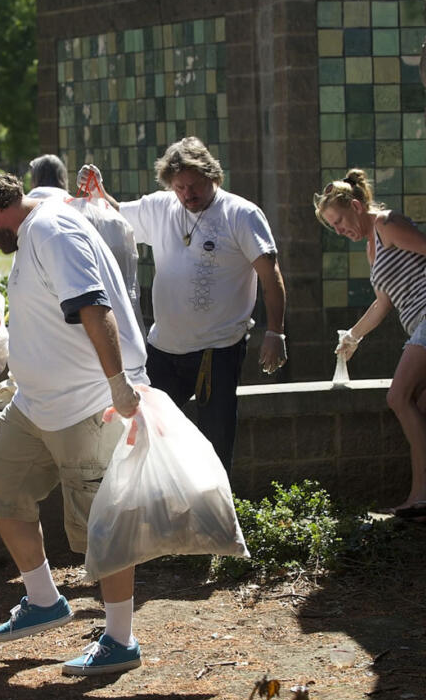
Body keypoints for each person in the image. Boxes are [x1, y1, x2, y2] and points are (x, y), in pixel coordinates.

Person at [0, 170, 148, 676]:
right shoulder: (36, 217)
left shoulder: (50, 233)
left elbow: (92, 307)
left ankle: (120, 639)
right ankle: (43, 600)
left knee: (100, 527)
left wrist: (119, 383)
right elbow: (46, 195)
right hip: (37, 404)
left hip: (86, 402)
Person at [77, 137, 288, 471]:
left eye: (195, 186)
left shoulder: (241, 214)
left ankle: (217, 513)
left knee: (215, 439)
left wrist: (275, 333)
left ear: (213, 177)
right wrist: (96, 193)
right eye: (180, 188)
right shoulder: (161, 206)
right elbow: (115, 217)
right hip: (165, 347)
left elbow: (270, 274)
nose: (188, 195)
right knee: (143, 430)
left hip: (217, 350)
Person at [313, 169, 426, 518]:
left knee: (397, 397)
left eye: (339, 221)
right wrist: (353, 336)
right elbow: (382, 304)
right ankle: (420, 493)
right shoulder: (372, 249)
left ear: (355, 205)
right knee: (417, 404)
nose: (340, 231)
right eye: (333, 228)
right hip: (425, 324)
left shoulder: (385, 223)